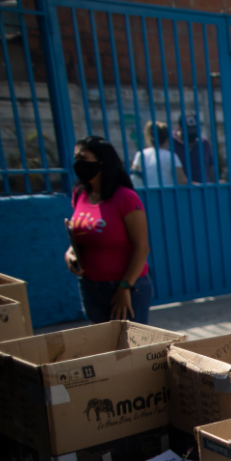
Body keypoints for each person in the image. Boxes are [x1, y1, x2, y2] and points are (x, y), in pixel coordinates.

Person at [65, 135, 153, 324]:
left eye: (83, 158)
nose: (77, 164)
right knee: (104, 349)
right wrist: (71, 254)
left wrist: (124, 287)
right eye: (76, 158)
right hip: (90, 286)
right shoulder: (80, 194)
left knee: (130, 349)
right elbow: (81, 236)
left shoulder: (125, 198)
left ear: (102, 162)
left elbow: (142, 248)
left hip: (124, 288)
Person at [131, 121, 187, 187]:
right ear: (168, 138)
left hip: (146, 195)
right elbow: (182, 181)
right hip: (167, 195)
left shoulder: (141, 154)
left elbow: (134, 178)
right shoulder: (171, 156)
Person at [173, 114, 214, 184]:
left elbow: (211, 168)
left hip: (204, 190)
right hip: (180, 192)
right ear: (179, 128)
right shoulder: (170, 143)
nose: (192, 136)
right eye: (189, 132)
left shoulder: (204, 143)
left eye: (194, 131)